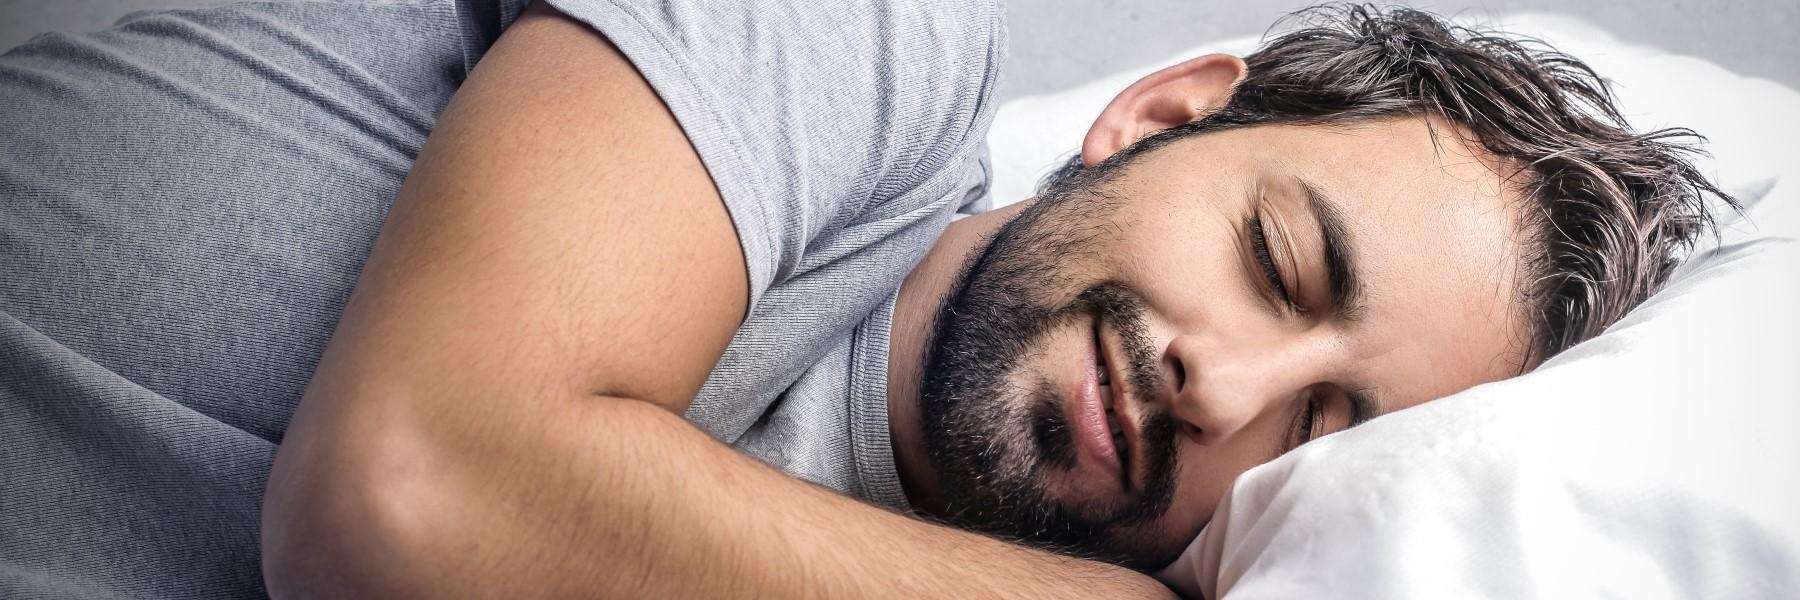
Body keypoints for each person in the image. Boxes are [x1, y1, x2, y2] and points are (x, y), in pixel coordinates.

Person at [0, 0, 1728, 596]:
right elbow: (409, 490)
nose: (1228, 384)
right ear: (1164, 116)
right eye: (1281, 265)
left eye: (1319, 430)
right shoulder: (869, 41)